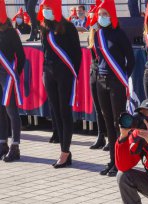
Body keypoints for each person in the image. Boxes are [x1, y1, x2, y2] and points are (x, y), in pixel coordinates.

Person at [91, 0, 135, 176]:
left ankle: (121, 162)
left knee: (118, 123)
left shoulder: (119, 34)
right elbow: (98, 57)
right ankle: (112, 160)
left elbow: (130, 59)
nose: (101, 17)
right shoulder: (97, 34)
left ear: (112, 15)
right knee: (107, 121)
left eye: (105, 14)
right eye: (100, 14)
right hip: (101, 81)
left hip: (116, 81)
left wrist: (123, 76)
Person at [38, 0, 82, 168]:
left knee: (65, 112)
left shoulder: (68, 27)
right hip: (49, 74)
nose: (46, 11)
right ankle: (65, 151)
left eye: (49, 8)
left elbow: (77, 54)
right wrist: (44, 72)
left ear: (56, 8)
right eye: (44, 9)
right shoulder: (43, 27)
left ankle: (65, 152)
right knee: (55, 113)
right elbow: (45, 52)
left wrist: (73, 74)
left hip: (65, 74)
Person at [0, 1, 26, 162]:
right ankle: (2, 143)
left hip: (7, 76)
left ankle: (15, 146)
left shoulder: (11, 32)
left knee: (12, 112)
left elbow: (21, 56)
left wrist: (15, 75)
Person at [86, 2, 108, 150]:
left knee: (107, 109)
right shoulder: (92, 33)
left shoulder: (106, 33)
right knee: (97, 107)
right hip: (94, 71)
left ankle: (110, 136)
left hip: (105, 73)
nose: (94, 21)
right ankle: (100, 136)